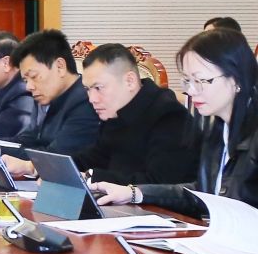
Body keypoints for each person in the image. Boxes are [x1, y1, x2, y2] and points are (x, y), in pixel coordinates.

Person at [96, 28, 258, 213]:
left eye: (200, 80)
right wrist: (134, 193)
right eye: (187, 81)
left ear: (236, 79)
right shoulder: (218, 130)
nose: (191, 91)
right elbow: (204, 194)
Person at [66, 43, 199, 186]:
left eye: (98, 88)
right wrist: (59, 167)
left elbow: (159, 184)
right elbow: (96, 157)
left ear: (130, 81)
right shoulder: (115, 110)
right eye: (87, 89)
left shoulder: (169, 116)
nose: (92, 99)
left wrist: (91, 177)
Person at [3, 29, 101, 175]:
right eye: (25, 80)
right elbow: (28, 140)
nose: (29, 86)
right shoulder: (49, 95)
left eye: (34, 76)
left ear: (60, 67)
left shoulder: (86, 101)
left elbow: (56, 156)